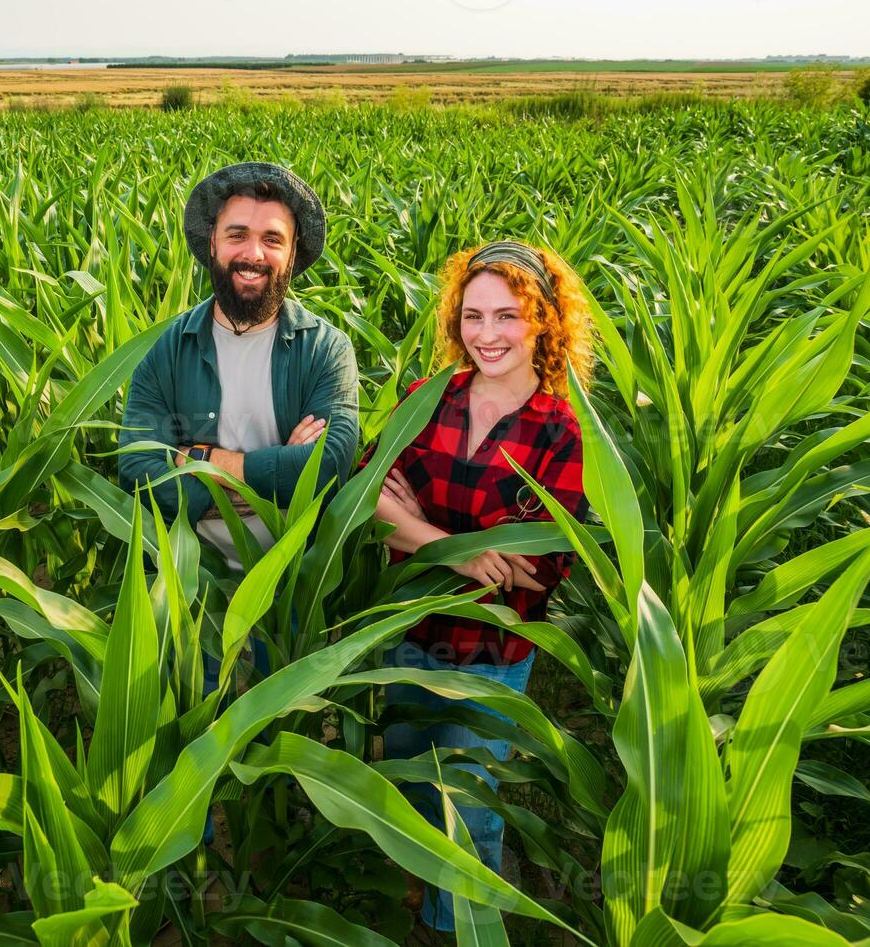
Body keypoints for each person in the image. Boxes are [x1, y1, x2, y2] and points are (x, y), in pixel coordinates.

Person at [374, 240, 595, 933]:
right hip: (409, 635)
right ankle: (416, 883)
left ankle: (456, 923)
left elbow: (534, 568)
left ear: (543, 324)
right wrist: (463, 552)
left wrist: (416, 525)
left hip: (492, 653)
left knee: (467, 807)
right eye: (473, 316)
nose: (488, 334)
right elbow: (371, 501)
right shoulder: (426, 398)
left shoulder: (560, 430)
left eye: (508, 315)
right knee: (407, 775)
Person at [118, 160, 360, 603]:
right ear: (213, 242)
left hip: (294, 584)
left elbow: (330, 465)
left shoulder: (327, 349)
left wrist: (200, 461)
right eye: (237, 235)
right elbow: (138, 470)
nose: (253, 254)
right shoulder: (161, 350)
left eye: (272, 239)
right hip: (191, 583)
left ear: (292, 252)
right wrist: (280, 470)